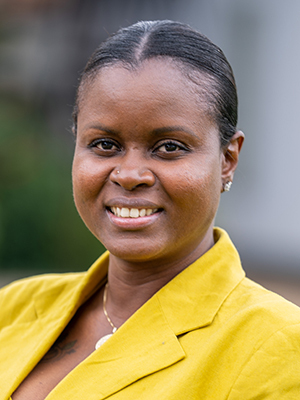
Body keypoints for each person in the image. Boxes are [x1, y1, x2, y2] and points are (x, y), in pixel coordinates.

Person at [1, 20, 300, 400]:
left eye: (169, 147)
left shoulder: (276, 347)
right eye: (105, 144)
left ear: (227, 159)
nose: (130, 175)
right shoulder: (16, 308)